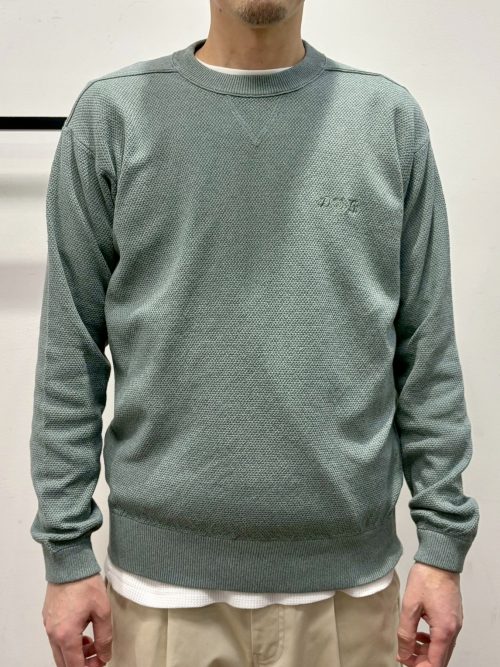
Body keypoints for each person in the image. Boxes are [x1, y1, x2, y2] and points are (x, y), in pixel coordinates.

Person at [29, 1, 480, 666]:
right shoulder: (111, 117)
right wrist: (66, 551)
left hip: (349, 594)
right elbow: (70, 354)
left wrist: (441, 547)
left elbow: (427, 349)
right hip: (161, 596)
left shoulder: (386, 119)